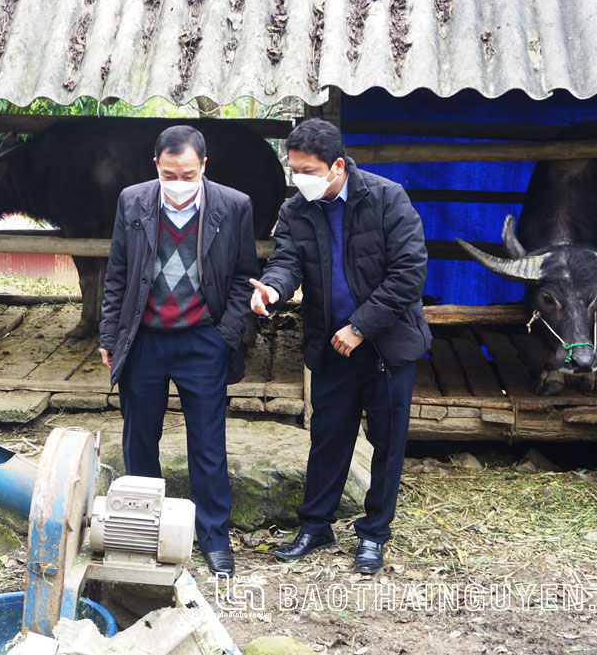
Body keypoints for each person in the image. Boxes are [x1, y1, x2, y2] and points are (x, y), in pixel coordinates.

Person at [250, 118, 430, 574]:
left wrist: (361, 326)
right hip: (330, 343)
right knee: (327, 437)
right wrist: (272, 289)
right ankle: (315, 526)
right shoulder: (296, 211)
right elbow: (287, 261)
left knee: (387, 443)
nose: (299, 179)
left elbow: (409, 274)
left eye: (307, 170)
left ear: (336, 166)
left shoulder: (387, 198)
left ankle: (373, 534)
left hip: (386, 344)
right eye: (293, 169)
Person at [99, 125, 259, 577]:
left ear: (203, 167)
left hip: (202, 340)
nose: (179, 183)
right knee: (139, 439)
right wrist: (110, 334)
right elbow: (117, 272)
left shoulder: (233, 205)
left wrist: (225, 336)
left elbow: (245, 275)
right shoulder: (133, 200)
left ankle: (214, 538)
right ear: (156, 167)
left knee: (208, 445)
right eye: (170, 174)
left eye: (188, 174)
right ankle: (143, 533)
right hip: (144, 338)